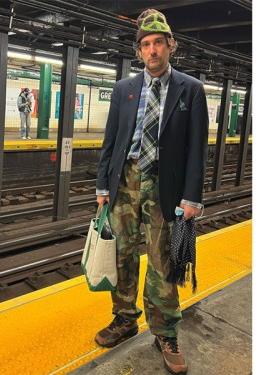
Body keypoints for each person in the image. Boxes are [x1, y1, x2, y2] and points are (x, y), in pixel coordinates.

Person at [94, 9, 209, 375]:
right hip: (124, 182)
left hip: (166, 187)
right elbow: (111, 142)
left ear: (171, 46)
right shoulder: (124, 89)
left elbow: (197, 149)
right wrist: (102, 186)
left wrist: (192, 198)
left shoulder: (190, 89)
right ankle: (125, 318)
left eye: (159, 42)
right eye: (146, 44)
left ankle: (165, 332)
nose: (153, 50)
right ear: (139, 51)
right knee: (122, 256)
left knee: (163, 262)